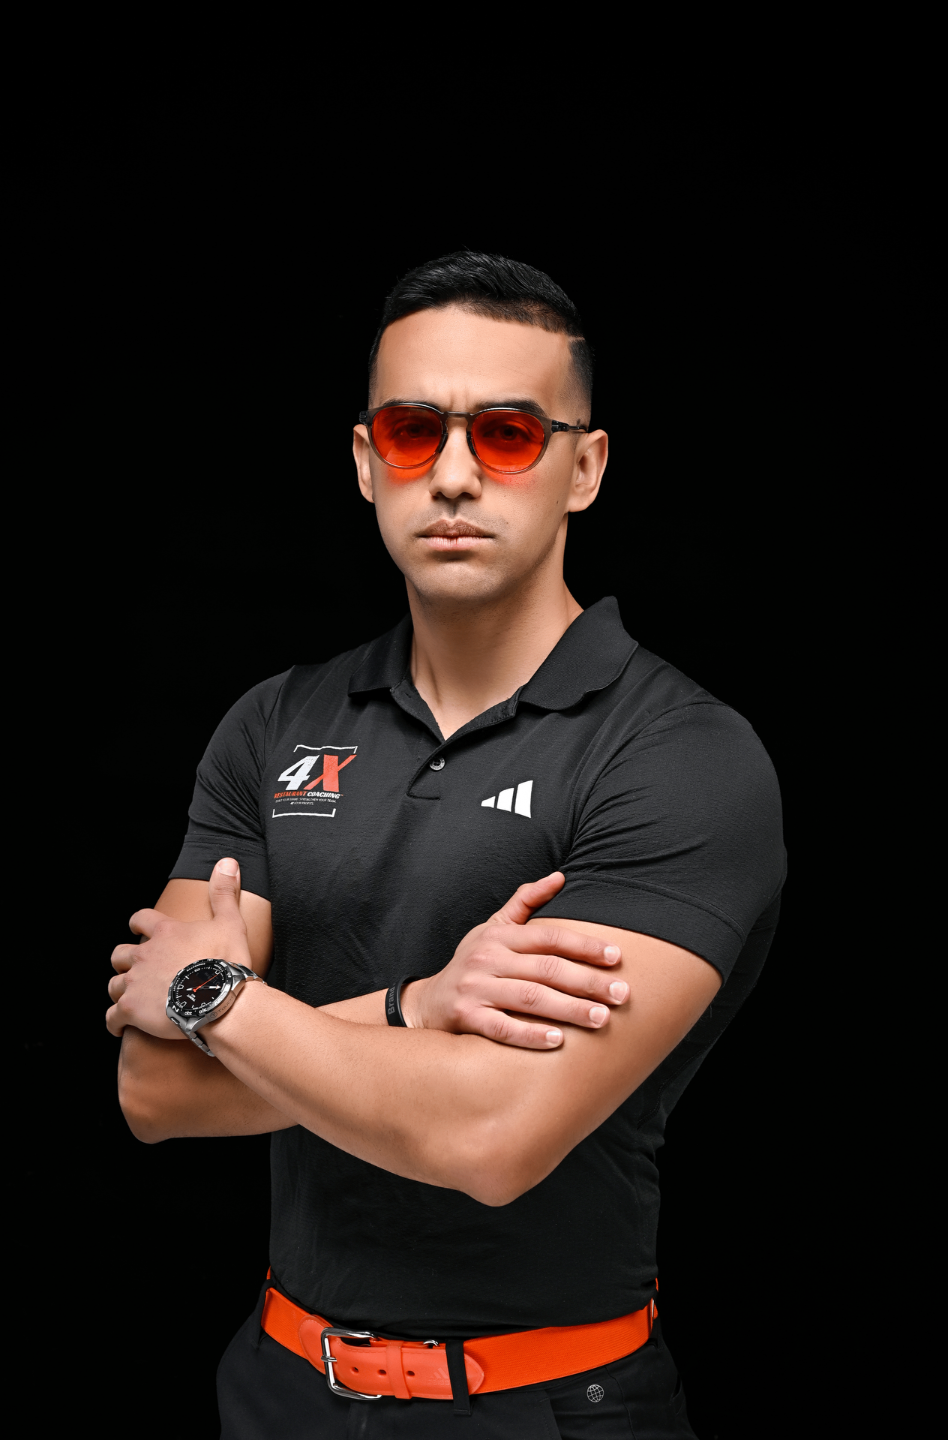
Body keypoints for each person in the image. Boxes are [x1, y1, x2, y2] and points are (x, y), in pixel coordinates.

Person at [108, 252, 785, 1438]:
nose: (456, 475)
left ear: (586, 467)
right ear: (367, 461)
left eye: (509, 435)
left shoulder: (679, 755)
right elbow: (155, 1091)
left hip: (544, 1407)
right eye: (414, 432)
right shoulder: (275, 724)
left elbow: (491, 1135)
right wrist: (416, 1008)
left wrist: (217, 997)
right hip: (279, 1391)